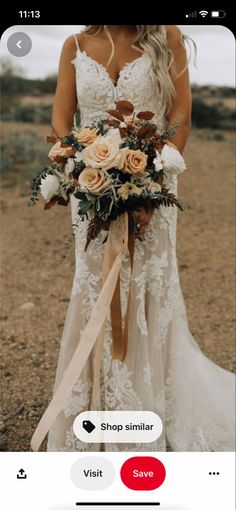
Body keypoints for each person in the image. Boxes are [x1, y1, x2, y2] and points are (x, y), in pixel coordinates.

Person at [33, 25, 235, 452]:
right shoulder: (74, 44)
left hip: (154, 185)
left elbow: (179, 115)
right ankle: (93, 405)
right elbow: (59, 117)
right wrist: (77, 158)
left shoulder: (168, 38)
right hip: (90, 186)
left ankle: (149, 409)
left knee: (147, 288)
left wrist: (151, 183)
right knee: (93, 289)